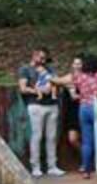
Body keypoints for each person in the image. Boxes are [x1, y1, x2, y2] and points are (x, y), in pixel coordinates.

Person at [51, 54, 97, 179]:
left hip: (83, 108)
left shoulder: (80, 77)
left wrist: (59, 83)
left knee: (86, 142)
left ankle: (86, 170)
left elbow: (58, 81)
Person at [18, 48, 65, 177]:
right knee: (37, 136)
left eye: (45, 58)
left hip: (52, 105)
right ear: (34, 56)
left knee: (51, 136)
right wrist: (38, 91)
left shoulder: (50, 69)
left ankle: (52, 166)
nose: (43, 61)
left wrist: (51, 87)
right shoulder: (25, 69)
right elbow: (22, 88)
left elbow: (56, 81)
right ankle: (35, 166)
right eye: (41, 58)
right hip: (35, 105)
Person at [60, 56, 84, 165]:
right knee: (72, 139)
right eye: (75, 63)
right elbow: (53, 80)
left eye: (79, 64)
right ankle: (85, 157)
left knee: (86, 138)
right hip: (71, 113)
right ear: (72, 65)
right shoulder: (68, 78)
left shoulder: (86, 78)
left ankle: (86, 162)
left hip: (83, 109)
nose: (77, 66)